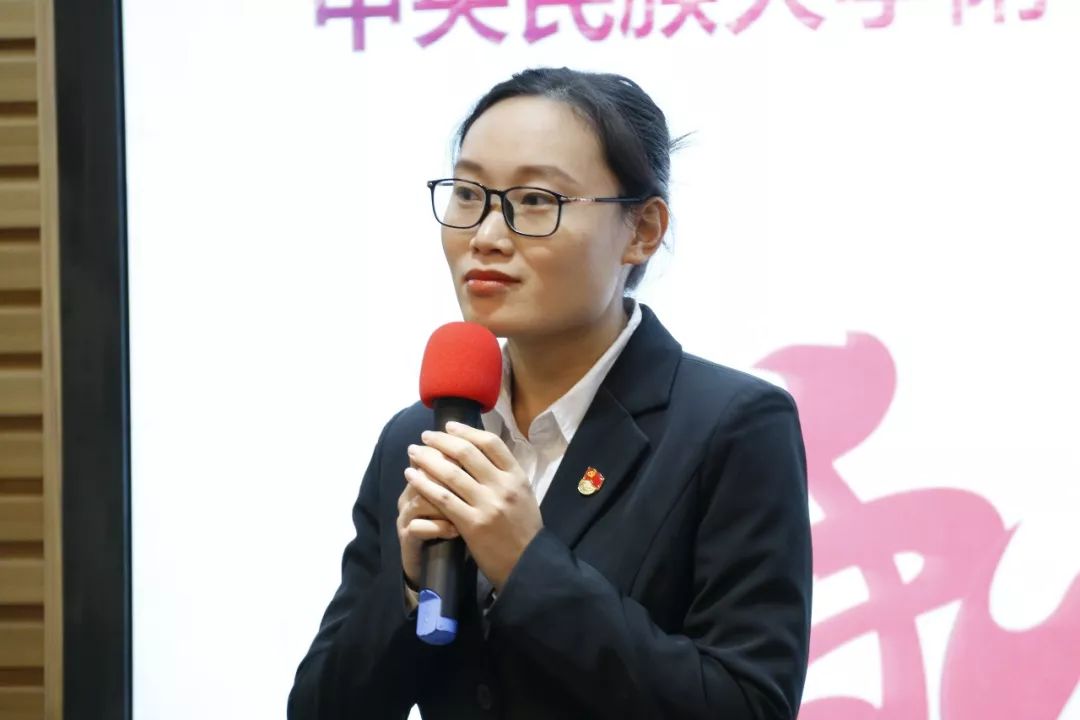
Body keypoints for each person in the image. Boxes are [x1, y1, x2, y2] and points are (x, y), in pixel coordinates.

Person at [288, 67, 812, 720]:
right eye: (468, 193)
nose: (486, 236)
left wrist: (527, 564)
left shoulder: (731, 427)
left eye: (536, 200)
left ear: (643, 230)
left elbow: (749, 705)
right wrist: (410, 587)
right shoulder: (419, 437)